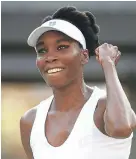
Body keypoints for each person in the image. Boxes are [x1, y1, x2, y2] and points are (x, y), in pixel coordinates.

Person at [20, 6, 136, 159]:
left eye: (61, 47)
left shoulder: (104, 107)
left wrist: (108, 64)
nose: (50, 57)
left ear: (84, 56)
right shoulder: (31, 120)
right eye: (42, 50)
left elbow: (122, 128)